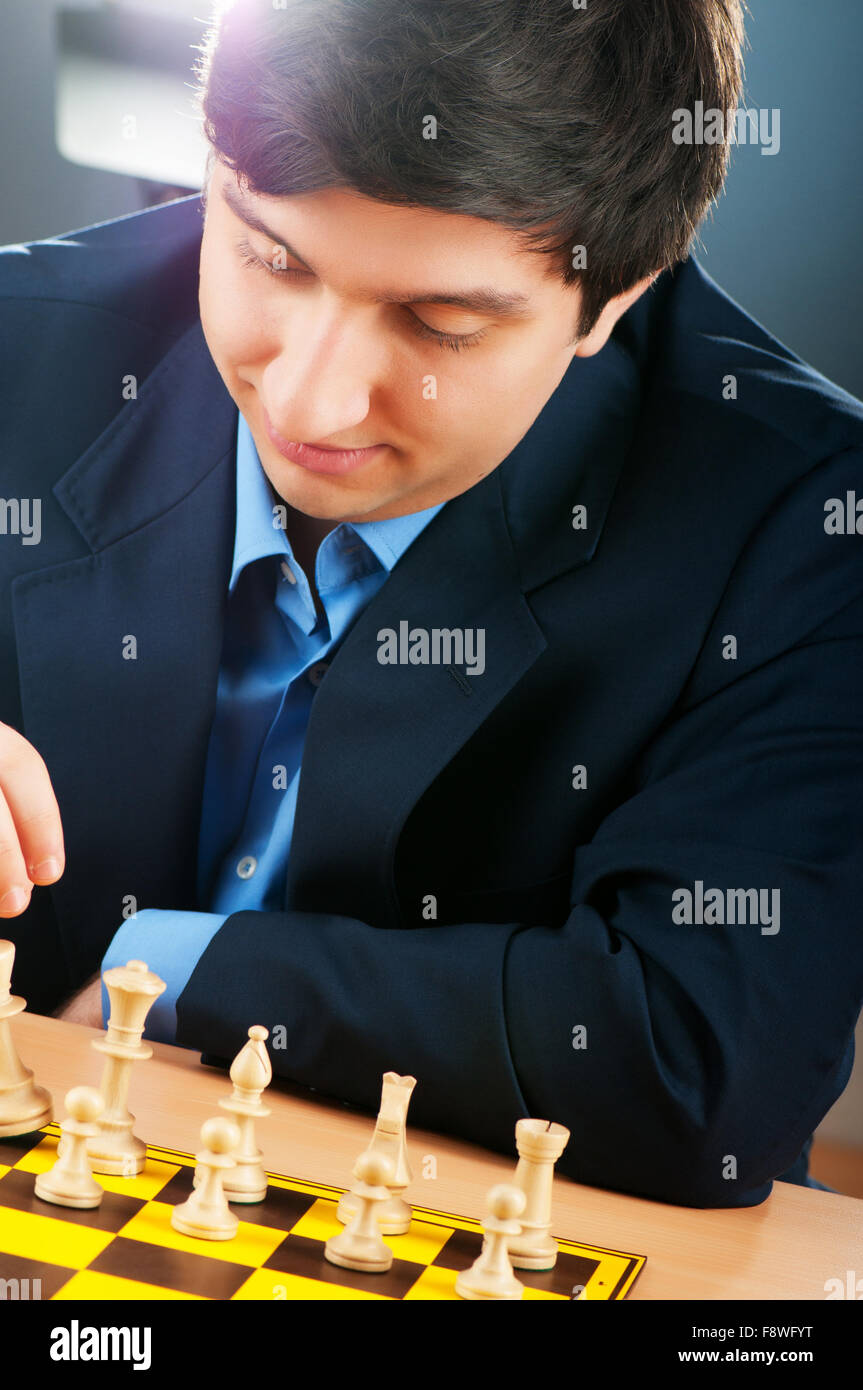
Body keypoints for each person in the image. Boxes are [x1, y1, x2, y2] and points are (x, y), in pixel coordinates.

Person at [1, 0, 860, 1207]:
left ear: (614, 298)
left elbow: (698, 1061)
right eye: (268, 255)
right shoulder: (15, 342)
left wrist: (181, 972)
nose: (311, 400)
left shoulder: (806, 522)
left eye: (438, 322)